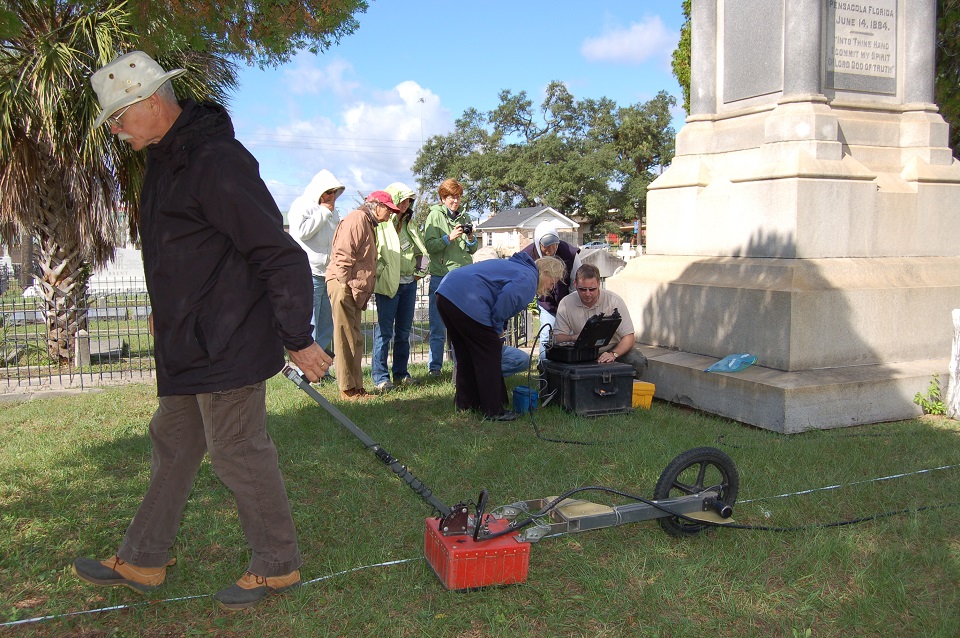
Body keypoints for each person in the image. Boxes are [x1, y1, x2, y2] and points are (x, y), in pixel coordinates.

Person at [75, 51, 332, 611]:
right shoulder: (164, 162)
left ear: (150, 102)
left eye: (119, 115)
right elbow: (181, 255)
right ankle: (144, 557)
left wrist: (297, 334)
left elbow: (277, 253)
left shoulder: (216, 159)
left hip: (229, 339)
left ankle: (277, 565)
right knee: (173, 445)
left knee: (238, 450)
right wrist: (164, 310)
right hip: (186, 341)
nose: (115, 128)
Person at [436, 254, 566, 420]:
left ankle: (466, 403)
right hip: (467, 301)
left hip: (446, 293)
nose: (551, 286)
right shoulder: (528, 279)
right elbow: (507, 298)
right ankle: (493, 410)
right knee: (489, 356)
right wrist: (497, 328)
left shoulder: (518, 268)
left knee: (465, 355)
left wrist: (497, 326)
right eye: (553, 281)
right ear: (546, 272)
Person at [326, 191, 398, 400]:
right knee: (346, 339)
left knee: (355, 339)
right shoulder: (358, 219)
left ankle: (356, 388)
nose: (391, 214)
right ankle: (348, 391)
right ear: (376, 206)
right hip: (344, 286)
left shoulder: (367, 222)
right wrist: (344, 285)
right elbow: (342, 254)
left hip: (350, 288)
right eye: (388, 209)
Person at [371, 183, 428, 392]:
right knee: (384, 332)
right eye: (402, 200)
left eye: (409, 201)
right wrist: (383, 271)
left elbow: (420, 250)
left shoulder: (410, 224)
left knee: (403, 332)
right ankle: (380, 378)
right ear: (393, 200)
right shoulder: (382, 224)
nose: (406, 204)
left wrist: (418, 273)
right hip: (388, 285)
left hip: (408, 284)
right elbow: (373, 253)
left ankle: (401, 374)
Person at [422, 179, 479, 377]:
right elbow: (429, 246)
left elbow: (473, 249)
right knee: (438, 327)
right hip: (442, 277)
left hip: (463, 277)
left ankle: (460, 364)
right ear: (443, 198)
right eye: (451, 197)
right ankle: (434, 369)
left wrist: (471, 239)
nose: (455, 201)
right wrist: (449, 238)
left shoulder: (466, 216)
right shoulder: (434, 217)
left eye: (458, 197)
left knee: (461, 324)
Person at [287, 169, 346, 355]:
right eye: (328, 192)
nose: (332, 196)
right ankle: (305, 371)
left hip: (328, 274)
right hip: (308, 273)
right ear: (318, 191)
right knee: (309, 324)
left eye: (335, 192)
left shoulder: (333, 212)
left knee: (326, 325)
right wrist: (322, 212)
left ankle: (321, 369)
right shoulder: (301, 205)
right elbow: (302, 232)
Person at [554, 264, 648, 378]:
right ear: (575, 285)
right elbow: (558, 337)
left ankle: (628, 392)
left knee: (637, 361)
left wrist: (613, 354)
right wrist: (573, 337)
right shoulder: (566, 303)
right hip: (581, 351)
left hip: (610, 348)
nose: (587, 294)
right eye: (582, 289)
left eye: (592, 289)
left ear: (599, 284)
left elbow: (629, 337)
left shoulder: (614, 301)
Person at [521, 221, 580, 361]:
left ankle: (567, 367)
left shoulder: (569, 253)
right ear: (538, 243)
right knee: (546, 334)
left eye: (554, 244)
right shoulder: (528, 255)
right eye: (546, 245)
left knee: (570, 335)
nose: (550, 249)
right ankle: (544, 370)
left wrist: (573, 303)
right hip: (546, 303)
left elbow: (576, 279)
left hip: (568, 301)